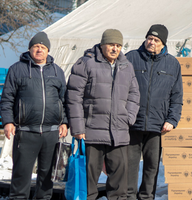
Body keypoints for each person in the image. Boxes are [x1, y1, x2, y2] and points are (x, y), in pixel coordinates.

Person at [66, 29, 140, 200]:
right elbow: (74, 96)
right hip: (91, 132)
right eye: (111, 45)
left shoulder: (127, 66)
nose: (115, 49)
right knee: (88, 184)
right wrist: (78, 127)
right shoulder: (86, 63)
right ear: (102, 44)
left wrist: (128, 118)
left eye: (118, 45)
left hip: (119, 134)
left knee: (119, 187)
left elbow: (134, 95)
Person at [0, 32, 68, 199]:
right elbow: (7, 98)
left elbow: (65, 100)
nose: (39, 50)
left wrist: (65, 122)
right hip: (25, 132)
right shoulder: (17, 69)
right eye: (36, 46)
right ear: (30, 49)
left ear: (48, 50)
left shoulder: (57, 71)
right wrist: (8, 121)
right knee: (21, 177)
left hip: (51, 133)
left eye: (43, 47)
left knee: (46, 180)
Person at [125, 24, 183, 200]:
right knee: (130, 166)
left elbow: (177, 95)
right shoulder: (131, 58)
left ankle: (147, 197)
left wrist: (172, 120)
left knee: (152, 167)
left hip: (158, 126)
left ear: (163, 43)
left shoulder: (172, 64)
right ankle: (129, 197)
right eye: (149, 38)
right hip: (133, 123)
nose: (151, 42)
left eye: (156, 40)